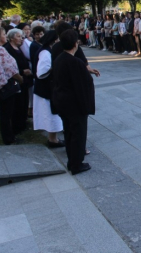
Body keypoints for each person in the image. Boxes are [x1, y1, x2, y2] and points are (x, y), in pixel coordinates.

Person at [52, 29, 95, 175]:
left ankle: (72, 161)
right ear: (75, 44)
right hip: (75, 105)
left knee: (70, 133)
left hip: (63, 103)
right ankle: (77, 164)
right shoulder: (75, 62)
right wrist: (87, 107)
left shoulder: (59, 59)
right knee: (78, 135)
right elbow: (83, 87)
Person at [0, 27, 24, 144]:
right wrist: (20, 78)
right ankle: (9, 138)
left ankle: (8, 136)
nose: (5, 36)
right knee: (7, 114)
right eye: (3, 34)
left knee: (4, 113)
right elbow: (10, 68)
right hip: (5, 85)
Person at [32, 30, 65, 147]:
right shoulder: (45, 52)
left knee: (51, 114)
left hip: (47, 88)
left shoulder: (46, 50)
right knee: (50, 114)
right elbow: (41, 72)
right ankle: (53, 139)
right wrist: (54, 68)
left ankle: (53, 138)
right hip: (46, 89)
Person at [4, 28, 33, 132]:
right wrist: (22, 72)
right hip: (16, 80)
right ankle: (17, 126)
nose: (21, 39)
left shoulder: (18, 48)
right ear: (11, 38)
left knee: (24, 102)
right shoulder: (7, 49)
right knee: (18, 104)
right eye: (19, 37)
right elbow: (8, 67)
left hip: (24, 80)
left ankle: (22, 122)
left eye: (22, 37)